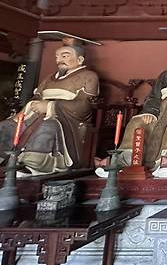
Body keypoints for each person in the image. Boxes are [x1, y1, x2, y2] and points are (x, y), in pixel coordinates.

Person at [96, 35, 167, 179]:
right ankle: (123, 161)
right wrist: (150, 112)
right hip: (161, 112)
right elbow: (153, 98)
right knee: (136, 123)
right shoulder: (164, 76)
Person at [0, 38, 99, 177]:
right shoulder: (49, 78)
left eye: (65, 56)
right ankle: (4, 160)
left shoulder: (89, 76)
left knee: (47, 126)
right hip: (35, 114)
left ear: (80, 60)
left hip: (65, 118)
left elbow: (85, 103)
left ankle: (33, 165)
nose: (59, 60)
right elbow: (36, 96)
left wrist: (51, 106)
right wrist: (33, 106)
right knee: (6, 126)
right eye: (57, 57)